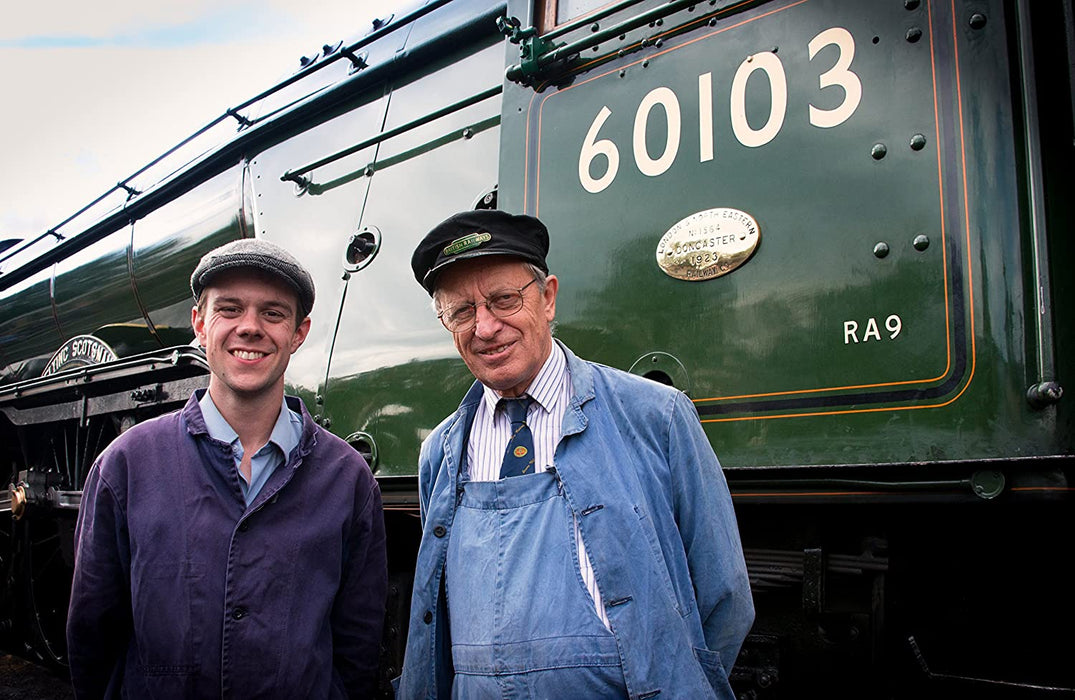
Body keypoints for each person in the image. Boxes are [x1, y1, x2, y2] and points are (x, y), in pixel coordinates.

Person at [395, 210, 754, 698]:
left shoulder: (657, 416)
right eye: (461, 311)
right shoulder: (439, 451)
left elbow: (724, 595)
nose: (485, 326)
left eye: (504, 300)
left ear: (547, 299)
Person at [67, 239, 387, 698]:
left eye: (273, 313)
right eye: (230, 309)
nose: (250, 328)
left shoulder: (348, 478)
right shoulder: (126, 465)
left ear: (299, 333)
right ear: (199, 323)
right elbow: (93, 639)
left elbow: (358, 647)